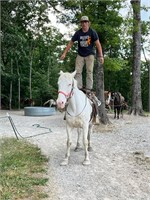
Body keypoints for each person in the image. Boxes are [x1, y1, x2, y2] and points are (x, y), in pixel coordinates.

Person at [60, 16, 104, 91]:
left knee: (89, 71)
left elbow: (98, 44)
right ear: (81, 24)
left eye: (86, 22)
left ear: (88, 23)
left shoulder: (92, 32)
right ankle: (79, 87)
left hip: (90, 54)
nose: (84, 24)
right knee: (77, 71)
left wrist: (101, 56)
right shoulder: (78, 33)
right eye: (82, 22)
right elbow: (71, 43)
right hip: (80, 54)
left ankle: (89, 89)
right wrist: (64, 53)